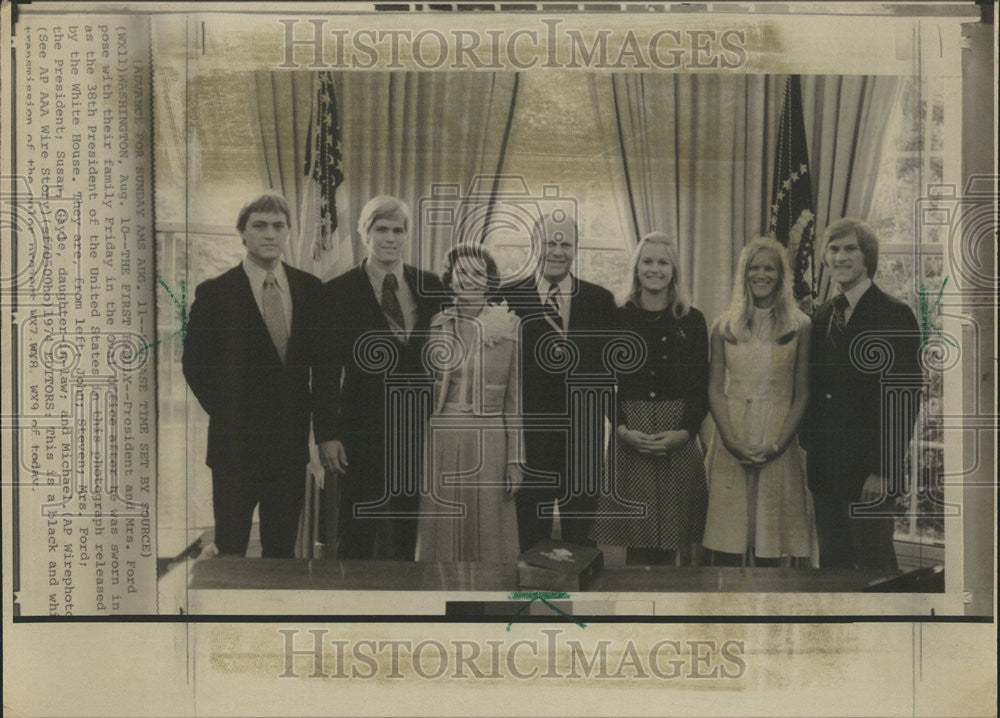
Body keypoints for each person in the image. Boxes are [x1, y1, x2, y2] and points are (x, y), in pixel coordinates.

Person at [182, 193, 324, 558]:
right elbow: (196, 364)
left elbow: (322, 368)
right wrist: (233, 412)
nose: (270, 234)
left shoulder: (310, 290)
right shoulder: (215, 293)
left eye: (279, 226)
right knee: (231, 545)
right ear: (242, 234)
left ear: (289, 232)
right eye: (259, 225)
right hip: (235, 446)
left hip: (289, 447)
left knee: (281, 549)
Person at [313, 195, 445, 561]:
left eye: (398, 230)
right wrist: (327, 435)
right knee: (356, 532)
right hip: (360, 432)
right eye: (381, 229)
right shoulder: (336, 292)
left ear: (407, 236)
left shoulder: (432, 286)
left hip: (419, 430)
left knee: (410, 532)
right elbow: (324, 371)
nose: (390, 238)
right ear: (364, 233)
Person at [801, 218, 921, 572]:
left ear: (867, 256)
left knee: (877, 567)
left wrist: (882, 470)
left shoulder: (894, 314)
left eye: (850, 248)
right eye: (833, 249)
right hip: (825, 469)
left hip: (870, 473)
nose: (840, 256)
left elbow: (903, 399)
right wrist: (810, 443)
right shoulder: (822, 316)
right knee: (834, 570)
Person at [498, 212, 618, 551]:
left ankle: (580, 604)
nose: (558, 250)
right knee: (529, 541)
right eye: (550, 242)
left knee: (580, 543)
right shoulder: (506, 297)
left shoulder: (600, 300)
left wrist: (619, 423)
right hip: (528, 440)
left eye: (566, 243)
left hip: (583, 439)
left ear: (576, 248)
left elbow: (610, 375)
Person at [589, 233, 709, 565]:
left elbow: (701, 388)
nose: (654, 269)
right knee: (636, 541)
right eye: (647, 261)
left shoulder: (693, 319)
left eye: (662, 262)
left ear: (674, 270)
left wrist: (685, 432)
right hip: (631, 433)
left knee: (674, 543)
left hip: (677, 435)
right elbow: (601, 383)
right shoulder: (617, 317)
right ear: (636, 267)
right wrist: (623, 429)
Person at [702, 237, 813, 566]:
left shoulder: (800, 326)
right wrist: (731, 440)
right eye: (754, 267)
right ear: (743, 273)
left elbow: (802, 394)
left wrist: (778, 445)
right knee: (727, 541)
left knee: (771, 542)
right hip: (732, 433)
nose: (761, 275)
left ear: (781, 276)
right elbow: (715, 390)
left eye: (769, 268)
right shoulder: (724, 327)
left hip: (779, 434)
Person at [414, 244, 523, 562]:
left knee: (487, 527)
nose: (470, 280)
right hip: (443, 437)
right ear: (450, 280)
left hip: (490, 440)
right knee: (443, 523)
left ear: (490, 281)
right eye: (462, 272)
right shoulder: (436, 323)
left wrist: (515, 460)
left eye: (478, 273)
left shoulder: (509, 325)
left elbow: (515, 401)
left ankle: (489, 603)